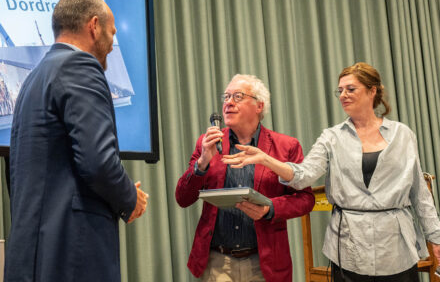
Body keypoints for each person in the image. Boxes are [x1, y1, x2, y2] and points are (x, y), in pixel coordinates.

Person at [223, 62, 440, 281]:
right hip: (349, 249)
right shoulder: (332, 137)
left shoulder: (403, 134)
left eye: (350, 89)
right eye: (340, 90)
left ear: (372, 91)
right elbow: (302, 176)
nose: (343, 95)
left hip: (396, 249)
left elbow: (419, 192)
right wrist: (266, 159)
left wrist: (435, 237)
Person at [4, 0, 148, 282]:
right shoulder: (80, 66)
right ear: (94, 26)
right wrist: (130, 197)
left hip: (32, 254)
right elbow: (97, 161)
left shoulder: (33, 79)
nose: (111, 45)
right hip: (71, 254)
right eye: (111, 32)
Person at [175, 74, 315, 282]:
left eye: (238, 96)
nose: (228, 103)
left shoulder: (286, 146)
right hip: (217, 262)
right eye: (226, 97)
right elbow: (183, 198)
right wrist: (202, 162)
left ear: (259, 106)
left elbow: (305, 199)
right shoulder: (208, 144)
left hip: (265, 262)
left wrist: (270, 209)